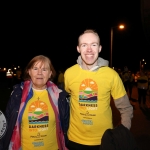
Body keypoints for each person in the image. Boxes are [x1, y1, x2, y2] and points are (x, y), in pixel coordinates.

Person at [64, 29, 133, 150]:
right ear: (78, 49)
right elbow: (68, 98)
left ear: (100, 48)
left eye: (93, 44)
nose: (89, 49)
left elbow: (126, 109)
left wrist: (122, 133)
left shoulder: (111, 75)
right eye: (84, 45)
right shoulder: (69, 73)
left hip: (104, 142)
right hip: (74, 140)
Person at [0, 55, 68, 150]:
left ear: (50, 74)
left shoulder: (59, 96)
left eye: (44, 69)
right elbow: (6, 125)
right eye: (35, 68)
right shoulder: (17, 95)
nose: (39, 73)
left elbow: (66, 125)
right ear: (29, 71)